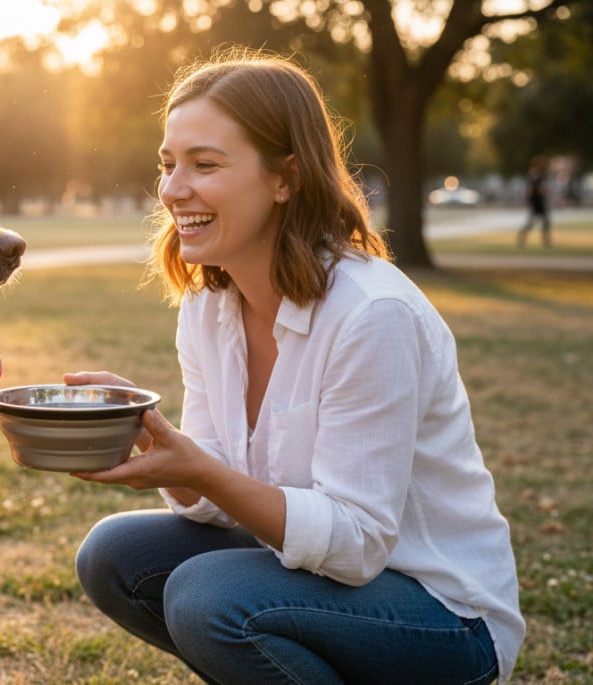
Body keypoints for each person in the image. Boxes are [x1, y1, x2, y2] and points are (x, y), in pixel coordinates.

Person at [65, 51, 523, 685]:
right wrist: (151, 433)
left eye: (205, 164)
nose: (172, 188)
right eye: (168, 164)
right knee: (115, 555)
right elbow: (218, 501)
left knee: (209, 596)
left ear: (285, 178)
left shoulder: (371, 314)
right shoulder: (208, 306)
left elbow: (360, 543)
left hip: (442, 617)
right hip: (315, 582)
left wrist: (201, 469)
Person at [518, 156, 551, 247]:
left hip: (539, 202)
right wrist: (546, 194)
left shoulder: (540, 175)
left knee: (545, 223)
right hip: (536, 202)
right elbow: (532, 189)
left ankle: (546, 242)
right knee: (532, 223)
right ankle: (522, 239)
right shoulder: (535, 176)